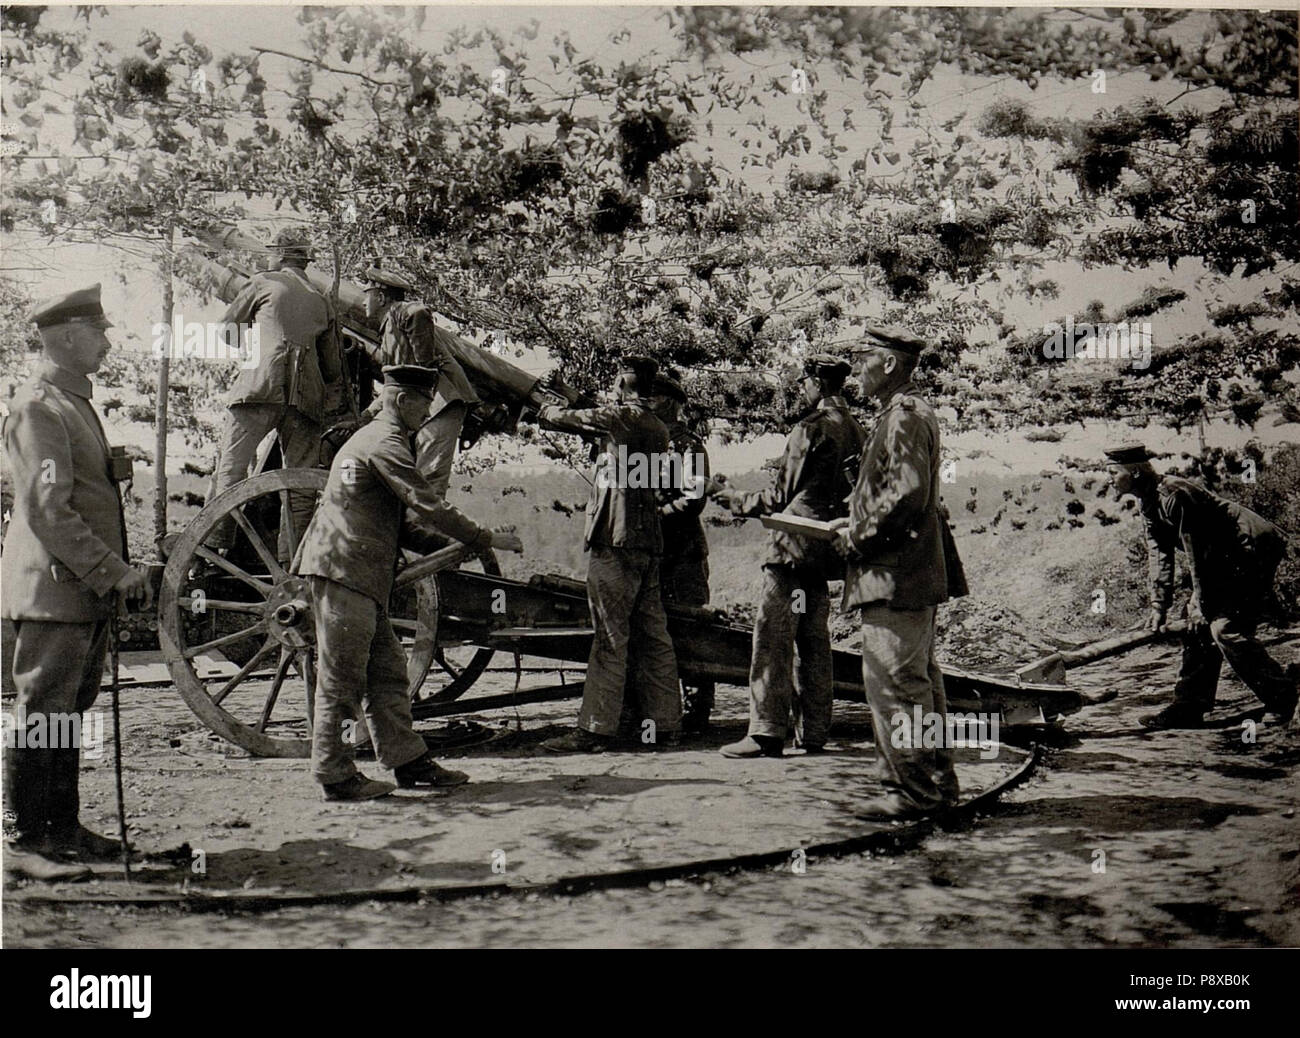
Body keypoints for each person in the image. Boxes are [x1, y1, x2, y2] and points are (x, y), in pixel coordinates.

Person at [295, 365, 522, 800]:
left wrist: (459, 547)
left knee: (387, 673)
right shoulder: (385, 442)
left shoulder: (381, 442)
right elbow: (426, 502)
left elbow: (405, 526)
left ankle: (406, 760)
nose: (427, 412)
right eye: (423, 403)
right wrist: (482, 536)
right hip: (344, 571)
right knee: (342, 680)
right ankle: (335, 774)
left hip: (359, 575)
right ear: (402, 401)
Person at [2, 285, 154, 880]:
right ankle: (24, 840)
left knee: (66, 711)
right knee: (42, 710)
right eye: (98, 332)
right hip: (53, 589)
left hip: (78, 591)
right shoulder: (37, 405)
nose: (108, 343)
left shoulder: (73, 402)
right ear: (65, 337)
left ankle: (59, 828)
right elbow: (46, 508)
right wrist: (113, 573)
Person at [831, 326, 959, 818]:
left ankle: (912, 796)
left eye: (861, 359)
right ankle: (935, 789)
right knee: (916, 683)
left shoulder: (903, 416)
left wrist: (858, 535)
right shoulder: (900, 414)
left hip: (894, 574)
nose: (855, 371)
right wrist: (857, 516)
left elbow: (907, 492)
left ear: (887, 364)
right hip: (905, 573)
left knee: (896, 686)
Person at [712, 354, 865, 758]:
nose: (801, 390)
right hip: (825, 553)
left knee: (773, 640)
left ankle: (765, 733)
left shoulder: (809, 429)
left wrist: (732, 498)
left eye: (804, 384)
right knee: (815, 643)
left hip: (792, 548)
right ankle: (814, 732)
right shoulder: (857, 430)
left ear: (816, 384)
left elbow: (779, 497)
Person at [535, 356, 682, 752]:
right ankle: (666, 726)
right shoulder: (656, 427)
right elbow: (596, 412)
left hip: (615, 543)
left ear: (622, 381)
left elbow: (567, 419)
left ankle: (594, 731)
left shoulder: (621, 419)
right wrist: (568, 392)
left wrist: (543, 403)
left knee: (610, 639)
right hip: (647, 544)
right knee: (654, 638)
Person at [1104, 443, 1299, 729]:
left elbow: (1203, 554)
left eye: (1112, 472)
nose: (1108, 479)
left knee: (1225, 628)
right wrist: (1159, 605)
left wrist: (1201, 603)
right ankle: (1190, 705)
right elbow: (1159, 553)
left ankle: (1281, 697)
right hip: (1225, 557)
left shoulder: (1175, 494)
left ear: (1133, 472)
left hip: (1251, 548)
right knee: (1195, 626)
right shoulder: (1148, 501)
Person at [210, 227, 342, 555]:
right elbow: (333, 369)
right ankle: (291, 560)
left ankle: (213, 546)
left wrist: (254, 347)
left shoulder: (263, 282)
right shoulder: (322, 301)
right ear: (305, 261)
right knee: (299, 485)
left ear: (280, 255)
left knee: (232, 467)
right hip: (306, 400)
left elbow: (227, 331)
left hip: (260, 387)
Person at [338, 267, 481, 500]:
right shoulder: (390, 324)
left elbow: (418, 312)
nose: (364, 302)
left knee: (429, 482)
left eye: (368, 294)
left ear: (381, 297)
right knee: (416, 480)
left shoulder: (404, 314)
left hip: (440, 403)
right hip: (424, 404)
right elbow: (396, 384)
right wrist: (364, 416)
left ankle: (428, 532)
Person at [650, 371, 715, 735]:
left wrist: (657, 516)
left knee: (692, 630)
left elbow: (693, 498)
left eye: (655, 397)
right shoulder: (648, 444)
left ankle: (697, 711)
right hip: (655, 553)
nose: (648, 402)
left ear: (672, 404)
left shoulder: (689, 446)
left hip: (683, 552)